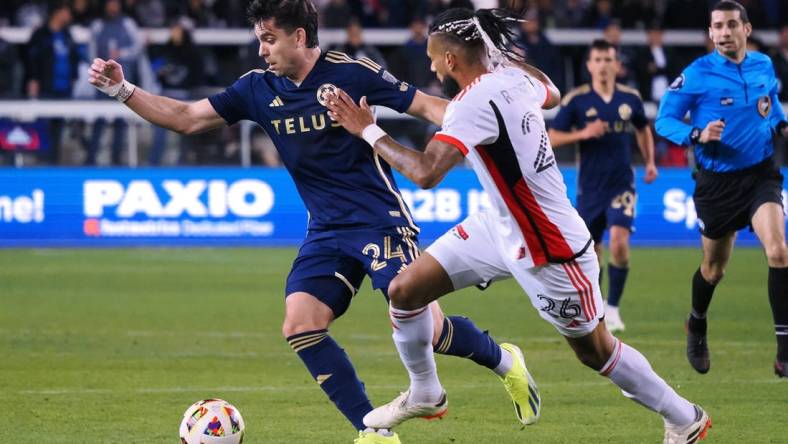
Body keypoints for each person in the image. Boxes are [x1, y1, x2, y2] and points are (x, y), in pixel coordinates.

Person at [86, 1, 540, 442]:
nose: (261, 50)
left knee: (432, 330)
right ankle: (372, 429)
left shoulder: (351, 73)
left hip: (381, 223)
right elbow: (186, 118)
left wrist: (492, 116)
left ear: (299, 36)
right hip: (325, 231)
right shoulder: (256, 89)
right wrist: (123, 91)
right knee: (300, 324)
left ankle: (505, 361)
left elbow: (429, 106)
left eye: (269, 39)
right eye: (258, 39)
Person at [326, 7, 710, 443]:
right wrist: (502, 56)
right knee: (405, 290)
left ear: (451, 60)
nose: (432, 64)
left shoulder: (470, 104)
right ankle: (425, 391)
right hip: (499, 225)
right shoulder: (516, 79)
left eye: (435, 57)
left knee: (596, 350)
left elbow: (426, 173)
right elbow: (554, 92)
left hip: (549, 248)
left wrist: (368, 131)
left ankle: (684, 417)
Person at [655, 0, 788, 377]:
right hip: (717, 184)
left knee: (779, 251)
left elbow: (771, 103)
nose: (725, 32)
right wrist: (695, 133)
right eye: (718, 26)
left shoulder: (763, 64)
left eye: (732, 24)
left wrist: (780, 125)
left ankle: (784, 352)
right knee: (714, 270)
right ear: (710, 33)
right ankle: (696, 322)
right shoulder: (696, 75)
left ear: (746, 29)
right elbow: (664, 121)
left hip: (761, 173)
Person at [548, 39, 658, 333]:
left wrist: (649, 162)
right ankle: (596, 308)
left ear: (616, 64)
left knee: (620, 243)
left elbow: (643, 129)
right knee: (591, 254)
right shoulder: (577, 101)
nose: (603, 65)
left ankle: (613, 309)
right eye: (598, 59)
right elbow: (553, 137)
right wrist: (584, 133)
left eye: (608, 59)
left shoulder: (630, 98)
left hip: (622, 184)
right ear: (589, 65)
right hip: (590, 189)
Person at [86, 0, 143, 165]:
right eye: (110, 3)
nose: (112, 7)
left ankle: (116, 159)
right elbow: (91, 50)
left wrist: (121, 54)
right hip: (103, 81)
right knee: (99, 120)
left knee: (121, 120)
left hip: (123, 80)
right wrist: (98, 67)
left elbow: (137, 48)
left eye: (115, 3)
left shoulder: (128, 24)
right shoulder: (98, 25)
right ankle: (91, 159)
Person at [26, 1, 82, 164]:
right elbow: (32, 60)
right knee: (43, 126)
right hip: (45, 86)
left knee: (58, 128)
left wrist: (74, 78)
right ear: (57, 13)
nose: (69, 16)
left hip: (64, 88)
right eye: (66, 12)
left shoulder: (67, 35)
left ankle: (54, 163)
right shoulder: (41, 35)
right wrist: (33, 80)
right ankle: (41, 161)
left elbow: (74, 58)